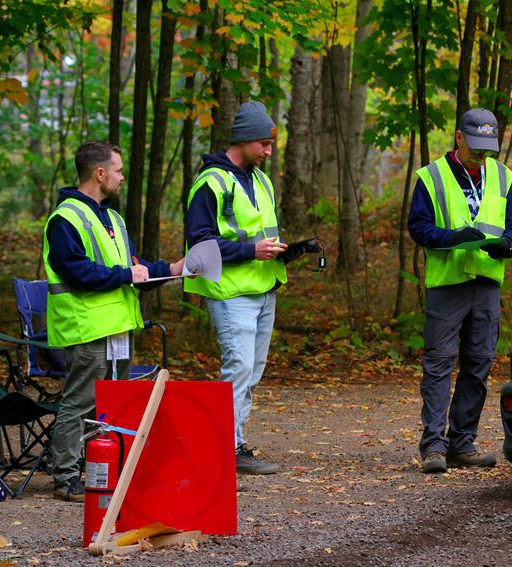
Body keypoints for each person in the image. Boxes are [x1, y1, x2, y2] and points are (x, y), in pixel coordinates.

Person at [44, 141, 185, 502]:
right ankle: (66, 478)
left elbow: (133, 266)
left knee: (115, 404)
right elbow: (76, 271)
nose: (122, 177)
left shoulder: (113, 218)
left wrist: (171, 269)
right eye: (119, 170)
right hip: (87, 327)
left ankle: (105, 470)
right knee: (80, 402)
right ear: (100, 173)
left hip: (119, 326)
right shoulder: (66, 218)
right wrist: (125, 275)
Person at [185, 101, 317, 475]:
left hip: (263, 287)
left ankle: (234, 443)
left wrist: (292, 251)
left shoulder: (260, 179)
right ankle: (224, 447)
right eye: (264, 144)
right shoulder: (210, 182)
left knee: (251, 370)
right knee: (238, 367)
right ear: (243, 140)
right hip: (231, 292)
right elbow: (200, 246)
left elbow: (262, 236)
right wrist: (251, 251)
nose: (269, 151)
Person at [408, 108, 512, 474]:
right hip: (447, 284)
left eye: (488, 148)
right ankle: (433, 447)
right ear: (458, 137)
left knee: (478, 365)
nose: (481, 154)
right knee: (439, 365)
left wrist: (507, 244)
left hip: (487, 283)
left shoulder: (503, 176)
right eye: (475, 146)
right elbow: (419, 228)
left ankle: (463, 442)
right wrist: (452, 239)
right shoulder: (431, 178)